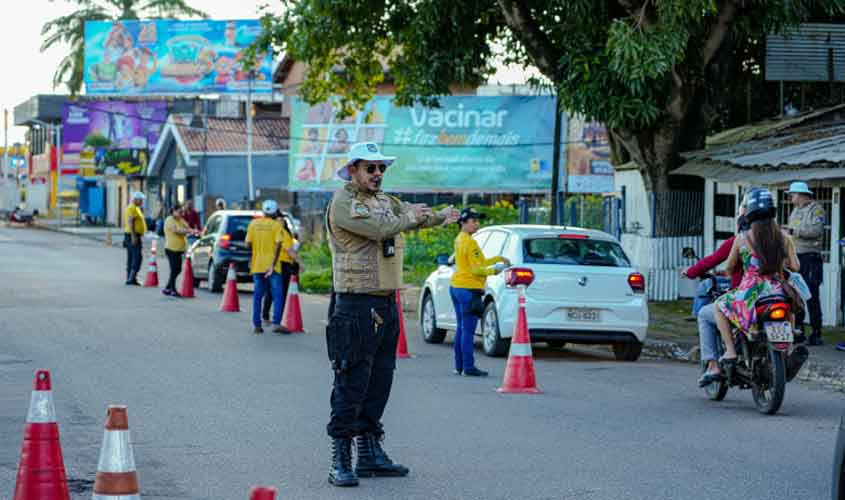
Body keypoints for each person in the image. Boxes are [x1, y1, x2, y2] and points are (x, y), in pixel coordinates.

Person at [325, 141, 459, 487]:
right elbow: (383, 228)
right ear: (353, 169)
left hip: (386, 302)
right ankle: (341, 456)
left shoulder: (387, 202)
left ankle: (369, 452)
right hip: (356, 303)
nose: (378, 174)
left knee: (381, 379)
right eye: (371, 168)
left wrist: (442, 216)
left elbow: (412, 217)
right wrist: (409, 216)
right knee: (352, 380)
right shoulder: (344, 203)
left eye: (382, 168)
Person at [700, 188, 805, 385]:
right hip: (778, 290)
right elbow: (796, 266)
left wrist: (732, 269)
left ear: (749, 212)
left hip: (750, 292)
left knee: (718, 306)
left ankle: (730, 352)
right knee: (790, 306)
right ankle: (788, 346)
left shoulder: (742, 238)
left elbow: (730, 268)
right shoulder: (785, 238)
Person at [449, 207, 510, 377]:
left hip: (456, 286)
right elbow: (477, 270)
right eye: (473, 221)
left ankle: (459, 366)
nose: (477, 224)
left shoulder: (461, 239)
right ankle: (468, 368)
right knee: (467, 330)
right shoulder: (469, 242)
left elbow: (479, 262)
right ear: (463, 223)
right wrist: (495, 271)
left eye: (478, 220)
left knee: (461, 329)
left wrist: (498, 258)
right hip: (469, 289)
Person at [787, 181, 826, 345]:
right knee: (796, 294)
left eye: (793, 194)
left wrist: (793, 231)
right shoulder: (795, 210)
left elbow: (816, 230)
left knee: (811, 294)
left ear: (802, 195)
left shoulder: (816, 209)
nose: (791, 197)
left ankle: (816, 332)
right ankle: (799, 330)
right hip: (796, 257)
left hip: (811, 257)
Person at [245, 200, 286, 335]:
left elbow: (247, 244)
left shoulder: (253, 224)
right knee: (277, 295)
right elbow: (279, 245)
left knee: (258, 295)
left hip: (257, 265)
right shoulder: (277, 226)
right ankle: (276, 323)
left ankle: (257, 325)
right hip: (273, 267)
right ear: (275, 212)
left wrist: (255, 252)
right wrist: (273, 264)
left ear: (263, 211)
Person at [262, 209, 300, 327]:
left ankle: (270, 316)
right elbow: (289, 250)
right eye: (279, 219)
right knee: (278, 292)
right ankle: (274, 318)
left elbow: (291, 248)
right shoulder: (279, 232)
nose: (281, 221)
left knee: (274, 291)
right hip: (281, 264)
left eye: (283, 220)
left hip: (280, 264)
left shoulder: (283, 232)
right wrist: (301, 262)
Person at [162, 204, 197, 297]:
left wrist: (193, 230)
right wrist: (189, 231)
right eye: (179, 212)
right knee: (174, 269)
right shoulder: (169, 220)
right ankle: (172, 290)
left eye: (182, 212)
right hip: (171, 249)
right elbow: (177, 230)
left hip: (179, 249)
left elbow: (187, 227)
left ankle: (167, 287)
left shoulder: (180, 220)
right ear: (173, 211)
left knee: (178, 269)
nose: (181, 213)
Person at [123, 192, 147, 286]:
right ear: (136, 199)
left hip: (132, 234)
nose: (142, 202)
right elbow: (130, 221)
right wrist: (133, 236)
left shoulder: (136, 208)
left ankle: (130, 277)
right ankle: (131, 277)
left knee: (131, 257)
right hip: (132, 235)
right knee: (137, 257)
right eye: (140, 200)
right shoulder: (132, 208)